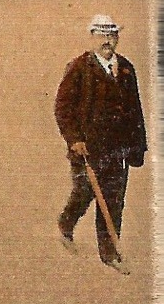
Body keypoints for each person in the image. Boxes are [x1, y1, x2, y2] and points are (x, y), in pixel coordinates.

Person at [56, 16, 147, 273]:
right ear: (92, 37)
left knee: (113, 202)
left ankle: (109, 254)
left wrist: (137, 147)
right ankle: (66, 224)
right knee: (84, 193)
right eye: (102, 35)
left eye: (112, 35)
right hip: (87, 149)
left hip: (118, 150)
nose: (107, 41)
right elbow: (63, 107)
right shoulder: (79, 67)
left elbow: (134, 111)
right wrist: (74, 139)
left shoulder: (126, 68)